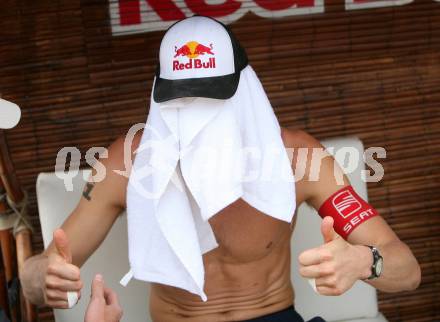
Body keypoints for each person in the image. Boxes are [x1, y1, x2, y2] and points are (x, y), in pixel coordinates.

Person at [21, 16, 420, 322]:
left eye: (212, 100)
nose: (196, 117)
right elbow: (35, 278)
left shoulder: (299, 160)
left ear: (244, 92)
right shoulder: (128, 164)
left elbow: (406, 269)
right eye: (182, 102)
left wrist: (364, 261)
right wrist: (45, 278)